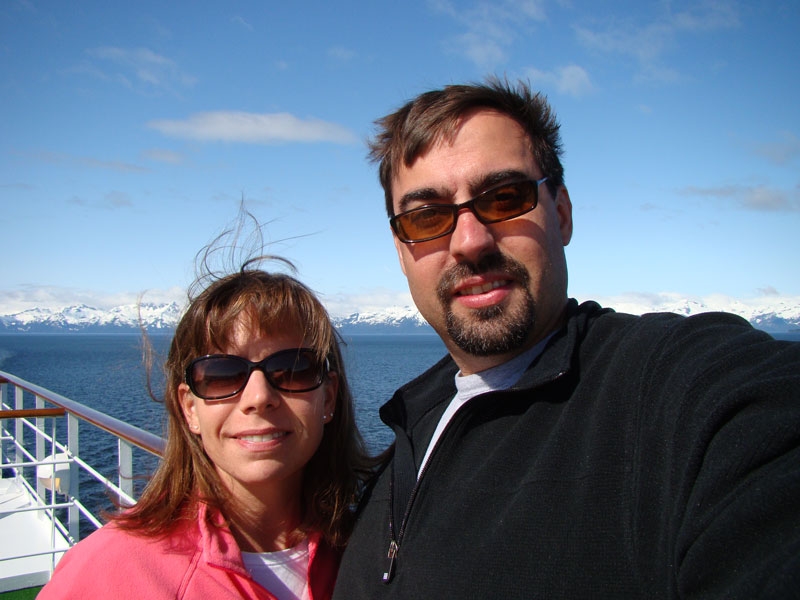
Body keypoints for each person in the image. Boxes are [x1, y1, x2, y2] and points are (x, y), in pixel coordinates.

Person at [332, 78, 800, 598]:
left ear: (561, 213)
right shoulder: (409, 425)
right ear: (401, 252)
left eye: (505, 197)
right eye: (427, 217)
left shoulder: (665, 390)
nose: (470, 241)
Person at [40, 256, 375, 599]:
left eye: (292, 369)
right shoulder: (106, 574)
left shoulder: (379, 557)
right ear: (190, 408)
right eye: (221, 375)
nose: (258, 397)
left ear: (329, 397)